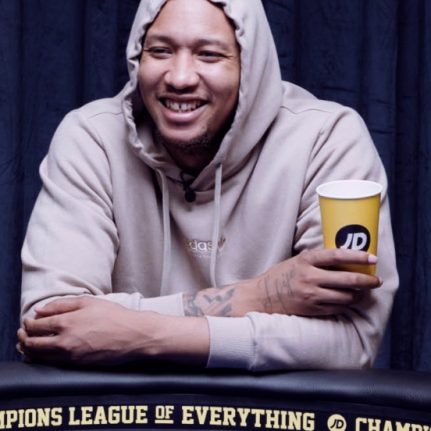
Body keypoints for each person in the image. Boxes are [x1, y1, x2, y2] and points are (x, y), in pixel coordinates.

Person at [18, 0, 398, 370]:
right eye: (161, 51)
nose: (180, 78)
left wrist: (141, 334)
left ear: (250, 65)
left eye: (209, 55)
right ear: (137, 57)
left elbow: (352, 340)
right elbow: (48, 325)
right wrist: (262, 296)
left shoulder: (327, 139)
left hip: (272, 409)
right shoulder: (92, 138)